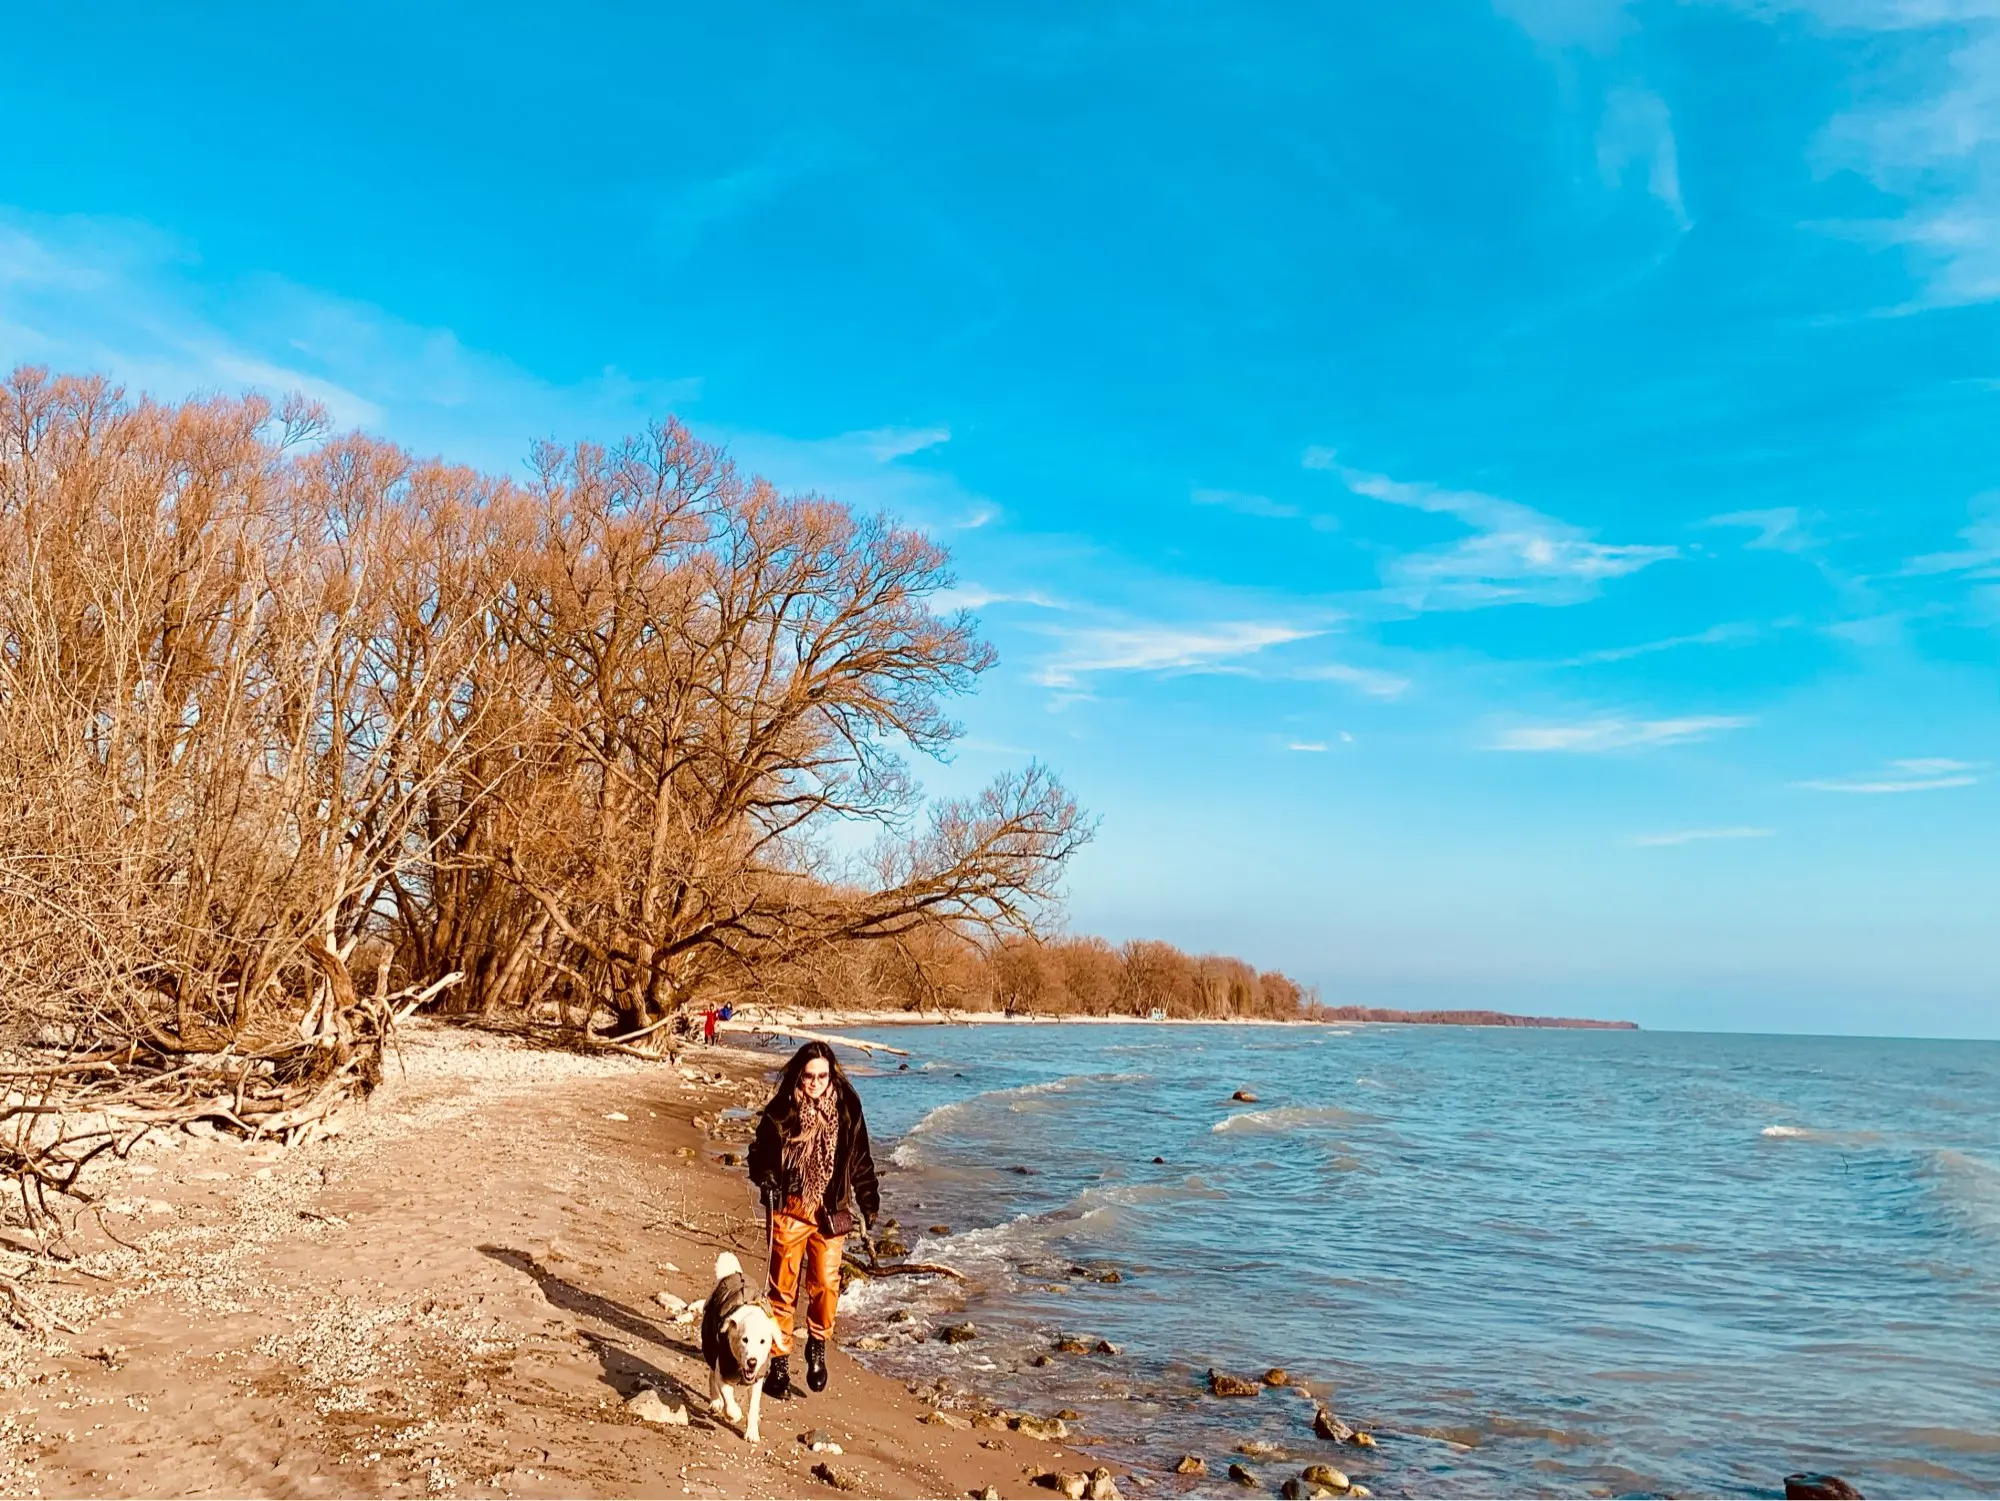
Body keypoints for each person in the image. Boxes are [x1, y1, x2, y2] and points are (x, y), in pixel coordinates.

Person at [745, 1041, 880, 1399]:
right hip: (789, 1208)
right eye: (809, 1076)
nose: (816, 1083)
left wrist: (868, 1200)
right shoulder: (781, 1110)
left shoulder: (848, 1108)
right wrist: (767, 1178)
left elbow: (860, 1158)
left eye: (822, 1076)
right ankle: (778, 1363)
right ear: (798, 1075)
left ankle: (817, 1346)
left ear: (832, 1075)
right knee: (782, 1289)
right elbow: (759, 1154)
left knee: (825, 1284)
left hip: (831, 1209)